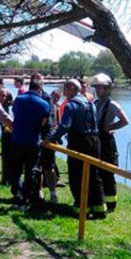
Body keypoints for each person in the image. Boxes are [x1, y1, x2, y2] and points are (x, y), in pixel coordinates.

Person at [47, 79, 107, 219]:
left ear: (71, 88)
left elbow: (65, 126)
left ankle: (81, 208)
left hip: (79, 142)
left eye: (65, 89)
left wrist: (53, 138)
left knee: (76, 175)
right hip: (94, 141)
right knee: (94, 175)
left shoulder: (71, 105)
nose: (63, 93)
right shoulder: (90, 103)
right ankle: (99, 208)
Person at [91, 73, 130, 212]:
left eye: (100, 88)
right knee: (98, 173)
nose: (97, 90)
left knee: (108, 174)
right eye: (96, 88)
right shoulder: (95, 104)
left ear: (107, 89)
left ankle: (111, 204)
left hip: (107, 143)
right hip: (97, 142)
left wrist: (110, 128)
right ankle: (101, 201)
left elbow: (125, 121)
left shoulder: (113, 104)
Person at [9, 80, 50, 208]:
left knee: (16, 169)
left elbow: (15, 115)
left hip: (16, 140)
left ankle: (16, 193)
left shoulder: (19, 100)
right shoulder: (44, 104)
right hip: (32, 141)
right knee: (30, 171)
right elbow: (43, 123)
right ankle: (26, 198)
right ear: (40, 89)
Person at [31, 73, 59, 204]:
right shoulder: (28, 95)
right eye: (35, 80)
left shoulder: (47, 97)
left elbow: (45, 118)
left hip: (46, 135)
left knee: (49, 166)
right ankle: (38, 191)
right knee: (36, 166)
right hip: (33, 134)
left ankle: (53, 194)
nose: (38, 83)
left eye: (40, 81)